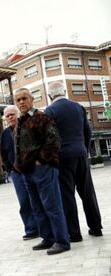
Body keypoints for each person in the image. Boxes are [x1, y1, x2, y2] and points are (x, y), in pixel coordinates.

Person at [14, 88, 70, 255]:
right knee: (37, 206)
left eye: (24, 98)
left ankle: (62, 241)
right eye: (18, 100)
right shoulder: (21, 120)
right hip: (27, 171)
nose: (21, 102)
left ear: (32, 100)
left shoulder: (41, 117)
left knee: (52, 205)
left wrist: (41, 161)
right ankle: (48, 238)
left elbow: (54, 141)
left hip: (43, 169)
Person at [45, 81, 103, 241]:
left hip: (63, 158)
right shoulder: (78, 107)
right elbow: (87, 131)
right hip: (81, 154)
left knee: (67, 196)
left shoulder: (49, 111)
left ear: (50, 95)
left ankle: (74, 233)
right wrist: (83, 149)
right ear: (64, 91)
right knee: (88, 193)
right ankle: (96, 228)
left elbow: (50, 138)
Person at [0, 105, 38, 241]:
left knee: (37, 199)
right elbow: (3, 153)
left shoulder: (27, 127)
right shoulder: (5, 134)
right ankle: (31, 229)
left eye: (12, 114)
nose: (10, 117)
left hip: (32, 169)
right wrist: (9, 168)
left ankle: (44, 226)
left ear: (18, 114)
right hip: (16, 173)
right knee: (24, 201)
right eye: (7, 115)